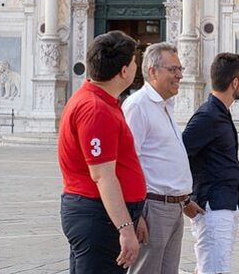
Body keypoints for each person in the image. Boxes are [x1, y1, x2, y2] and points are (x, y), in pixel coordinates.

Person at [58, 30, 146, 273]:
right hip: (97, 215)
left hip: (101, 213)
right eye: (134, 63)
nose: (136, 67)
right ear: (124, 71)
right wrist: (125, 227)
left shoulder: (100, 101)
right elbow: (102, 175)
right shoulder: (96, 110)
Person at [123, 43, 205, 274]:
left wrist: (184, 200)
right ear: (152, 71)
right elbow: (129, 162)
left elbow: (163, 159)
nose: (180, 75)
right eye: (173, 69)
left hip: (173, 206)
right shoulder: (138, 106)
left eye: (180, 69)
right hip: (152, 208)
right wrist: (135, 215)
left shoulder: (165, 106)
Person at [182, 52, 239, 274]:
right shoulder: (208, 116)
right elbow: (180, 154)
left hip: (224, 204)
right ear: (235, 82)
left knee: (214, 268)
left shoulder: (219, 113)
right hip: (212, 206)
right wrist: (185, 199)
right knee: (215, 269)